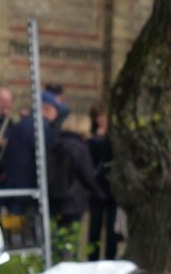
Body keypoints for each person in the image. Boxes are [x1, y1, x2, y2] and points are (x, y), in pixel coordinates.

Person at [0, 87, 37, 221]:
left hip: (9, 181)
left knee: (15, 219)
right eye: (2, 101)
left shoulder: (12, 123)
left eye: (8, 100)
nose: (6, 104)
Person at [48, 112, 106, 241]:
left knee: (56, 238)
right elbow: (87, 176)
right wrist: (101, 194)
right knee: (70, 239)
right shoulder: (79, 148)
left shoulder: (55, 144)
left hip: (55, 198)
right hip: (73, 201)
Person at [86, 104, 120, 260]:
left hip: (112, 186)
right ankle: (92, 257)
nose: (102, 120)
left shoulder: (115, 137)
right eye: (98, 117)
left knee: (112, 227)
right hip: (97, 187)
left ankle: (110, 257)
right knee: (95, 226)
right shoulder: (91, 138)